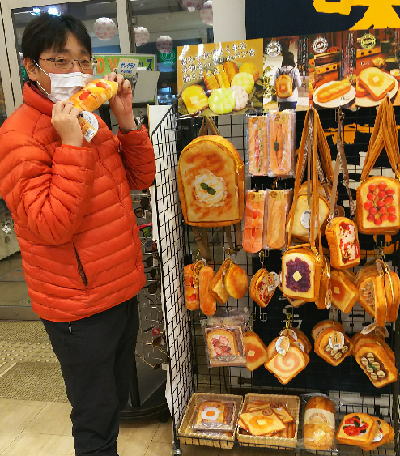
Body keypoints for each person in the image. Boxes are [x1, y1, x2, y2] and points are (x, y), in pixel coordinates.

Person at [0, 13, 155, 456]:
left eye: (83, 61)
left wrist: (125, 122)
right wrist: (70, 146)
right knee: (95, 418)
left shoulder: (90, 119)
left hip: (119, 288)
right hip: (77, 306)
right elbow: (51, 225)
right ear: (32, 67)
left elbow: (139, 179)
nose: (74, 71)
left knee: (115, 398)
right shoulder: (17, 137)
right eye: (59, 60)